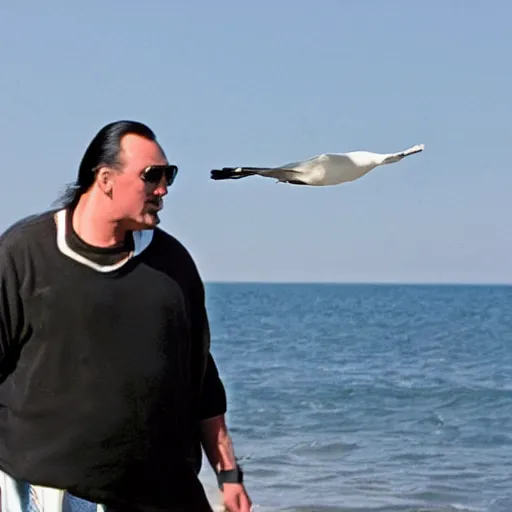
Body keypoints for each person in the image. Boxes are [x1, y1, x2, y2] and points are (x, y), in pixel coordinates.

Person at [0, 121, 252, 512]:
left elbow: (202, 381)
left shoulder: (173, 265)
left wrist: (229, 474)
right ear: (105, 179)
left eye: (169, 175)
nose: (163, 189)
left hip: (166, 493)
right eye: (152, 176)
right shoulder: (23, 255)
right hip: (52, 497)